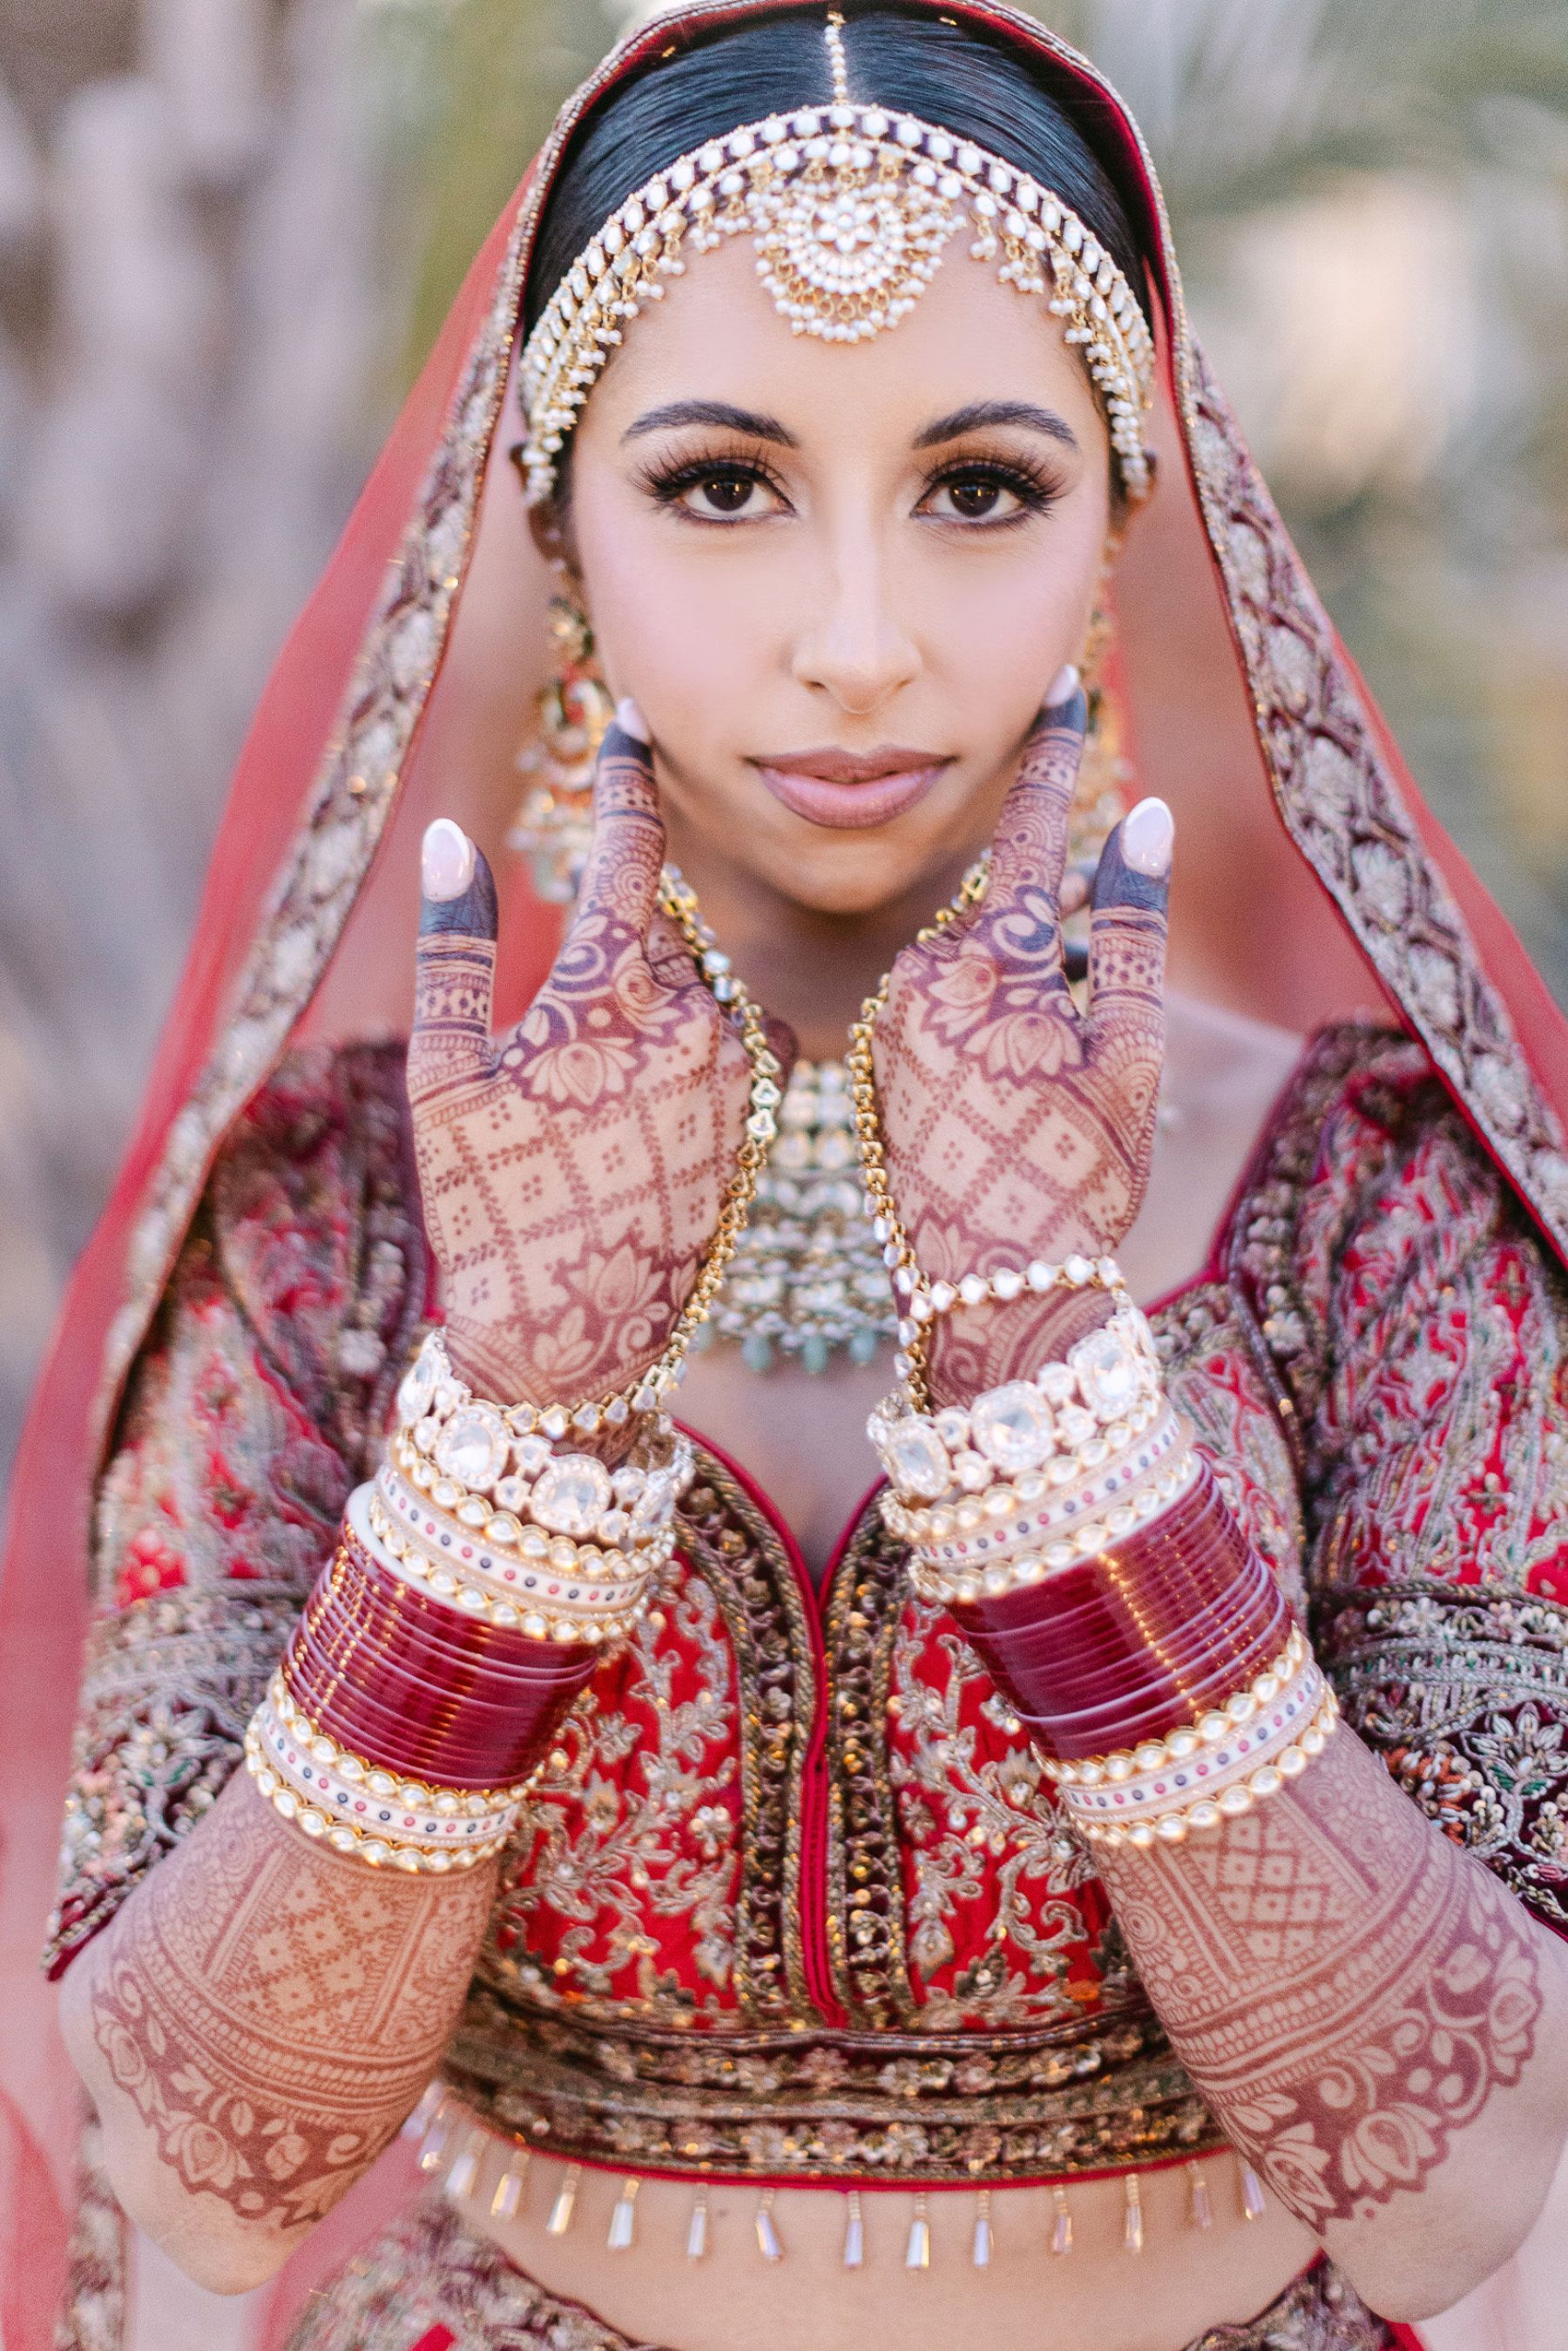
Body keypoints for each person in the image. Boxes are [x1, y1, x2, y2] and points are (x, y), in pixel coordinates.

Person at [7, 5, 1568, 2348]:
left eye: (979, 489)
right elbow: (201, 2178)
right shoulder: (341, 1228)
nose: (858, 646)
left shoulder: (1370, 1207)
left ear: (1122, 519)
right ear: (555, 518)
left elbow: (1477, 2185)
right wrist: (511, 1440)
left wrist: (1061, 1403)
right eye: (724, 484)